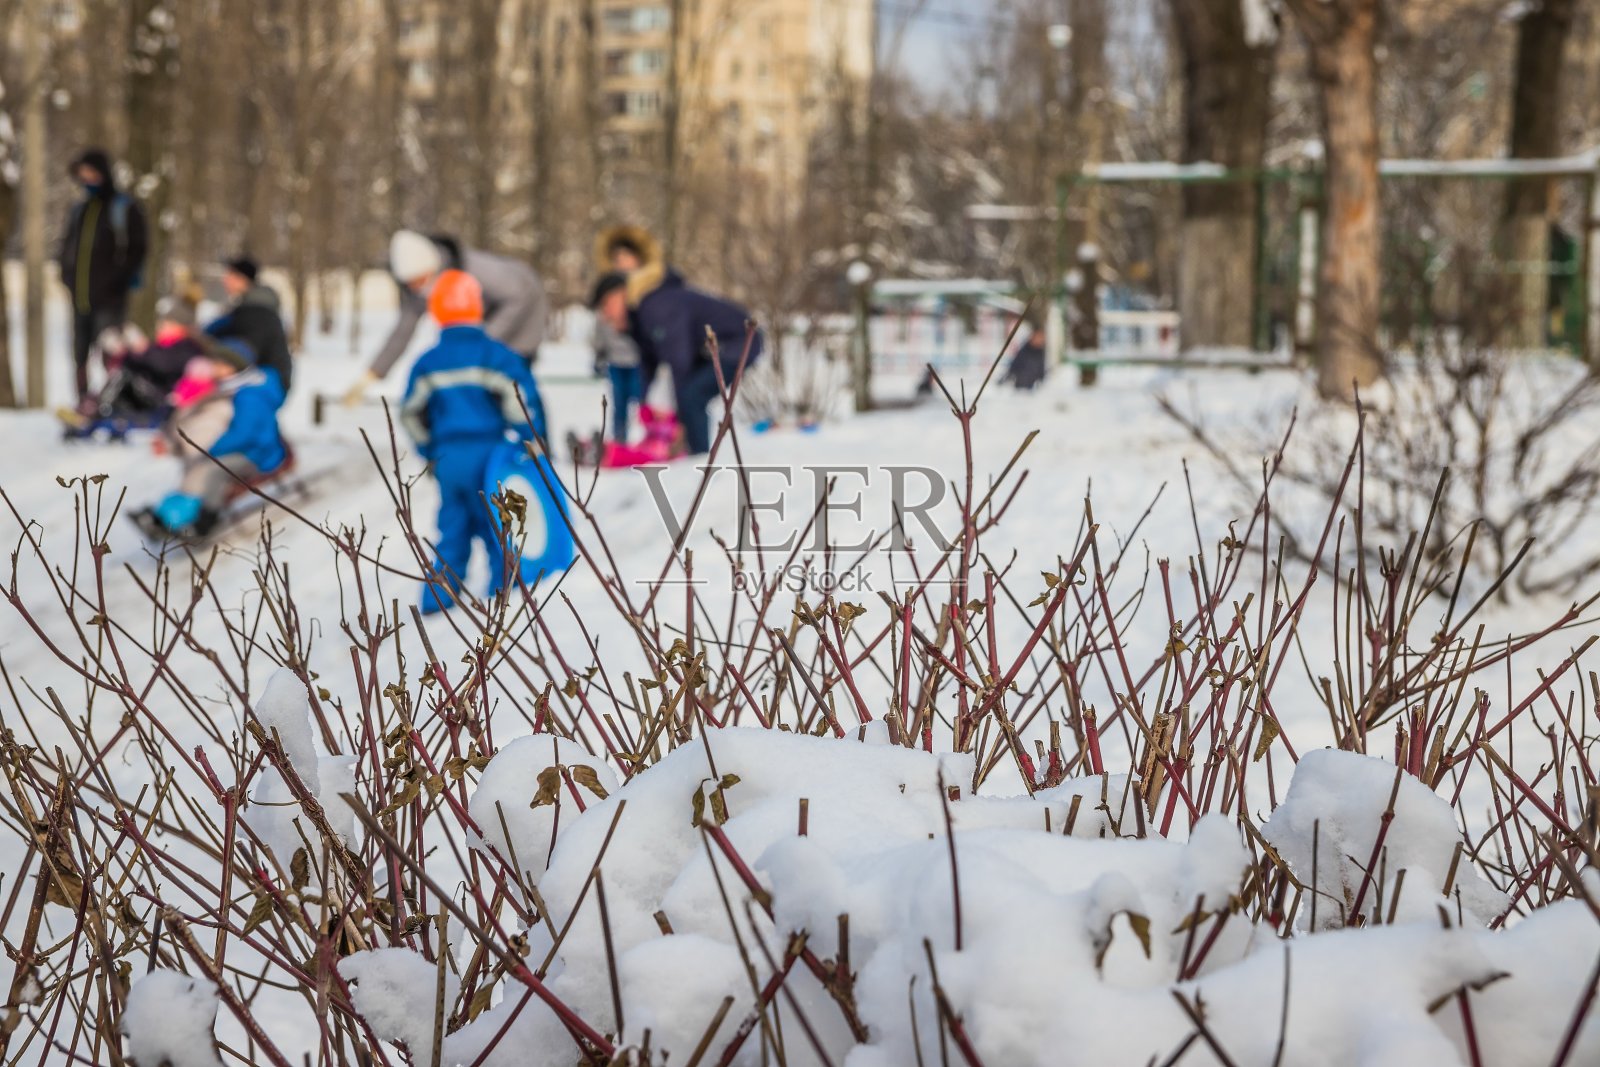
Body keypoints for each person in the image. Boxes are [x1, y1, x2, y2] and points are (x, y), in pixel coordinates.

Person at [399, 271, 548, 614]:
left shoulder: (427, 362)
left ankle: (436, 604)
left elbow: (409, 412)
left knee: (452, 530)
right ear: (479, 309)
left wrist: (429, 450)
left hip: (448, 458)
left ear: (435, 312)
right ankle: (505, 601)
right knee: (498, 529)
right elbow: (519, 402)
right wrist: (531, 440)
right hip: (489, 455)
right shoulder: (495, 355)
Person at [594, 225, 762, 456]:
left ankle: (699, 459)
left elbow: (678, 358)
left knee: (691, 396)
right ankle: (689, 452)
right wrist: (645, 403)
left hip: (737, 340)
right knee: (686, 395)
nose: (605, 315)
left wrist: (680, 421)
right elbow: (649, 360)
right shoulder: (640, 313)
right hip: (708, 347)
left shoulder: (656, 305)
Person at [345, 230, 549, 405]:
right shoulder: (415, 289)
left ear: (432, 268)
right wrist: (373, 373)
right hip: (479, 333)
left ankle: (528, 441)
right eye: (411, 284)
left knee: (511, 385)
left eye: (420, 280)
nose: (417, 288)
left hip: (524, 320)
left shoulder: (477, 270)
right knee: (475, 390)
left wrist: (481, 341)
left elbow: (520, 296)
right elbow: (403, 330)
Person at [130, 340, 288, 539]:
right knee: (198, 467)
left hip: (260, 454)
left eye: (220, 364)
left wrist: (211, 450)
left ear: (234, 367)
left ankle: (205, 520)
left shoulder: (251, 394)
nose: (215, 368)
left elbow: (244, 434)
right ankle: (166, 516)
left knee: (213, 469)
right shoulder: (232, 389)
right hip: (249, 448)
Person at [57, 148, 148, 405]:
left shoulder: (123, 208)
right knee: (79, 353)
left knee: (111, 353)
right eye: (82, 173)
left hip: (110, 298)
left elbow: (138, 249)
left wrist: (118, 282)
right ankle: (84, 403)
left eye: (91, 172)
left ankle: (112, 402)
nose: (87, 178)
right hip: (79, 296)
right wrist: (66, 275)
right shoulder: (79, 210)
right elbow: (67, 246)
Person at [60, 294, 206, 437]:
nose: (161, 327)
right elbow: (142, 362)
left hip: (164, 400)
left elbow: (163, 363)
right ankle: (95, 406)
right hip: (152, 394)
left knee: (124, 376)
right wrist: (125, 352)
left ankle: (93, 411)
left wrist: (141, 349)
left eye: (167, 324)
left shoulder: (187, 347)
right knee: (124, 372)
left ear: (182, 326)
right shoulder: (166, 345)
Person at [205, 258, 295, 392]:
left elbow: (248, 348)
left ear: (242, 279)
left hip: (266, 379)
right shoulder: (244, 307)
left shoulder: (257, 311)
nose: (225, 280)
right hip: (260, 377)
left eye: (230, 276)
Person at [590, 271, 643, 441]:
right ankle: (620, 439)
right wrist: (598, 359)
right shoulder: (603, 317)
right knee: (620, 403)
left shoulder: (635, 312)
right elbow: (600, 340)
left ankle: (651, 438)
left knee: (642, 400)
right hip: (616, 364)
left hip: (637, 364)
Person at [1000, 326, 1048, 391]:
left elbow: (1041, 371)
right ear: (1032, 337)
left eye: (1042, 338)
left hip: (1033, 389)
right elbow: (1013, 367)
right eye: (1038, 337)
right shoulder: (1024, 351)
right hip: (1021, 389)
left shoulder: (1040, 352)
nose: (1041, 340)